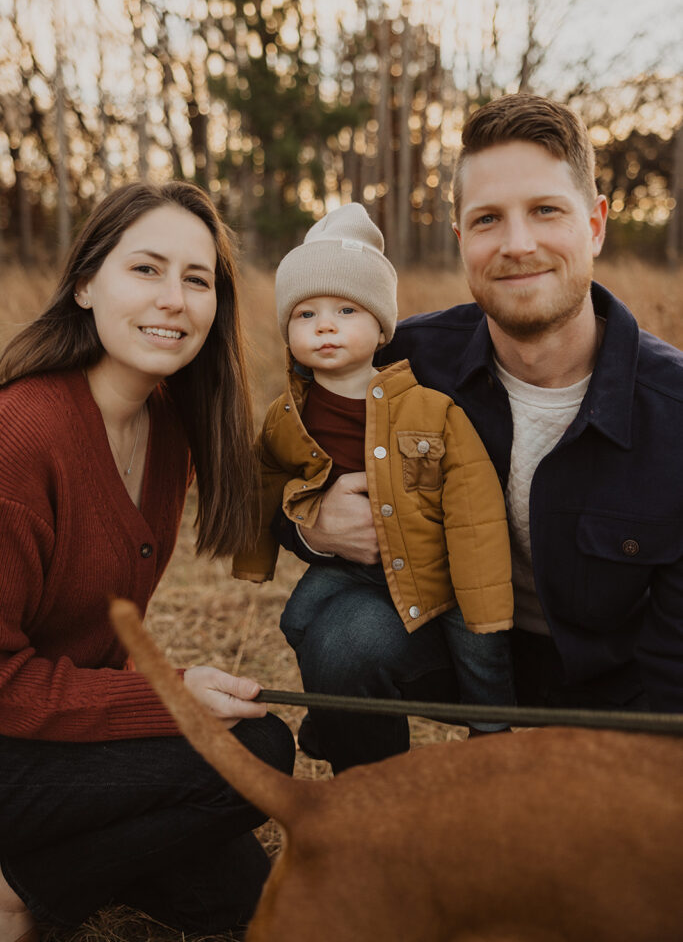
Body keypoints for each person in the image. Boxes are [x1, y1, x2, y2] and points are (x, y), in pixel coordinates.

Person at [276, 93, 683, 755]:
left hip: (614, 683)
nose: (517, 245)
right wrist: (310, 526)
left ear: (595, 225)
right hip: (445, 638)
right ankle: (371, 823)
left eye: (545, 211)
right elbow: (290, 462)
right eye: (488, 219)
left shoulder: (673, 415)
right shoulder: (399, 365)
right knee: (345, 637)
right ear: (464, 240)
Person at [0, 181, 295, 942]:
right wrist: (169, 699)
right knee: (254, 753)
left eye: (196, 280)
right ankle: (16, 896)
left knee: (238, 899)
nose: (174, 298)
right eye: (146, 270)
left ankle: (42, 864)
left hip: (48, 733)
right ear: (85, 283)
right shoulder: (21, 439)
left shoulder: (167, 429)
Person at [233, 203, 516, 773]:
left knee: (483, 654)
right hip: (354, 565)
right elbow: (266, 480)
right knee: (297, 619)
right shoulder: (286, 416)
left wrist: (482, 596)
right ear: (288, 332)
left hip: (440, 570)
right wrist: (270, 542)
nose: (325, 325)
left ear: (382, 326)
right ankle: (338, 718)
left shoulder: (429, 409)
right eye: (305, 314)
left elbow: (474, 508)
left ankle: (495, 743)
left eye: (345, 309)